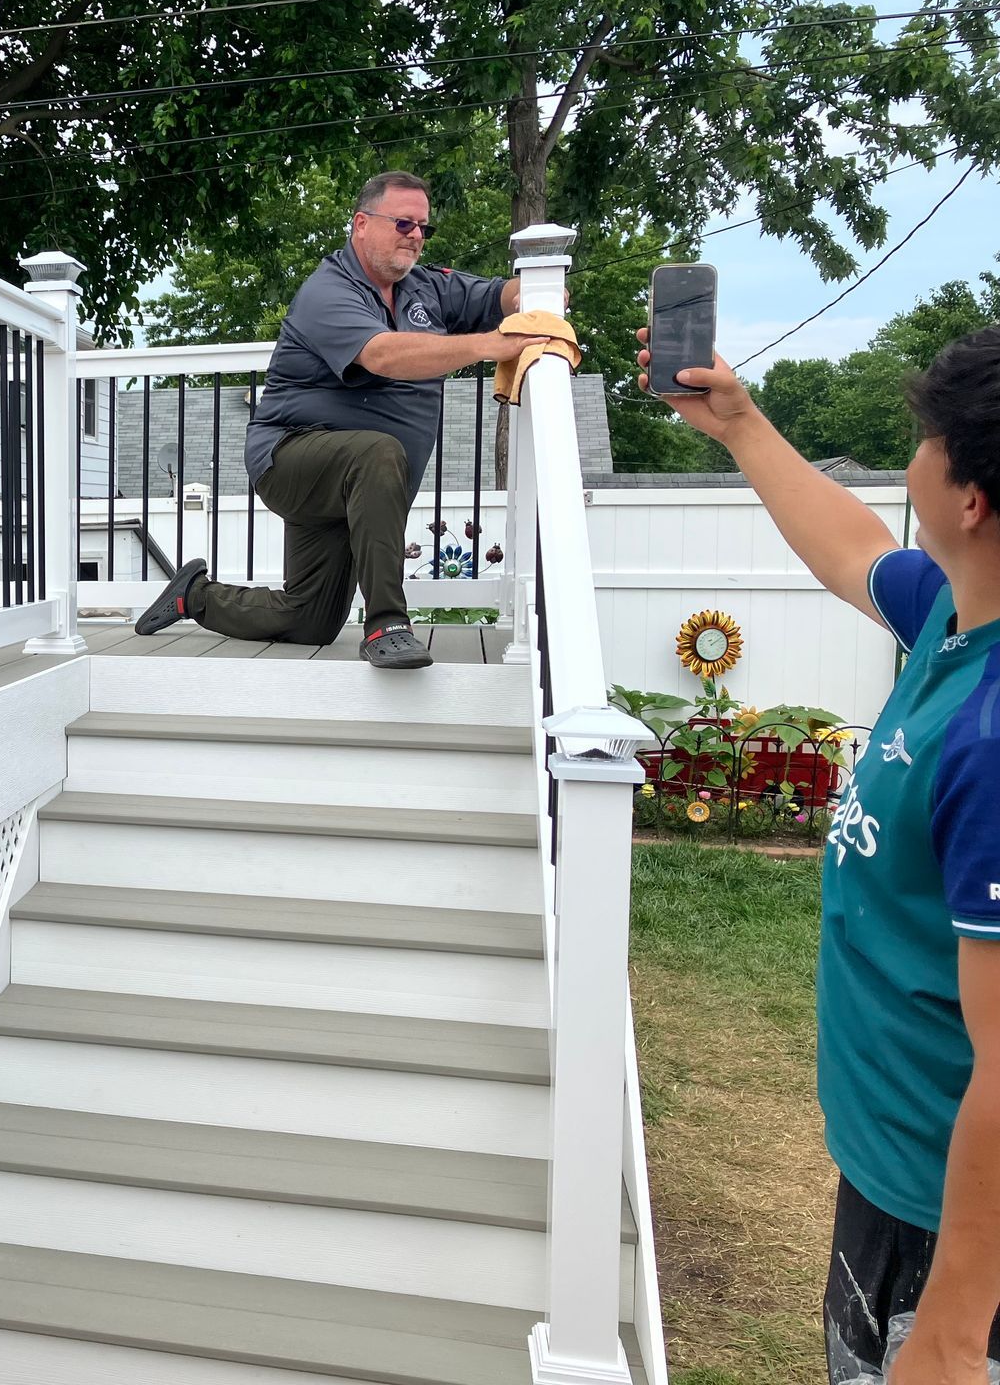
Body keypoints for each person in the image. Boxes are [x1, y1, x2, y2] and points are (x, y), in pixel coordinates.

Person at [636, 326, 1000, 1384]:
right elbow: (848, 549)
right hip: (893, 1175)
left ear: (968, 497)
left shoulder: (988, 732)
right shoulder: (951, 617)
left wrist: (955, 1327)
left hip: (954, 1226)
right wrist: (740, 425)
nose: (910, 463)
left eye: (925, 441)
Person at [133, 170, 553, 667]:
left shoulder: (426, 289)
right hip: (291, 459)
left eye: (423, 227)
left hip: (355, 482)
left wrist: (540, 295)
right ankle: (386, 624)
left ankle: (194, 596)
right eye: (402, 224)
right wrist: (491, 345)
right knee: (377, 449)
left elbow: (493, 296)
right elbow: (384, 356)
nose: (416, 235)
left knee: (309, 620)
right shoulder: (328, 290)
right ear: (360, 224)